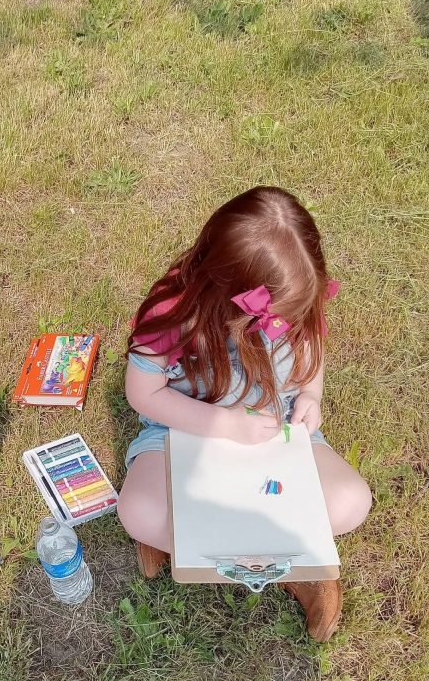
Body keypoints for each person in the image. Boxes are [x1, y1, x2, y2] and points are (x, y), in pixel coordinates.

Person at [117, 187, 372, 642]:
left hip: (277, 429)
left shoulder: (297, 294)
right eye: (278, 318)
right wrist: (225, 425)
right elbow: (143, 394)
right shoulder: (173, 312)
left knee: (351, 501)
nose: (288, 325)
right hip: (183, 432)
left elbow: (312, 350)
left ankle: (211, 548)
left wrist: (310, 396)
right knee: (138, 510)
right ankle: (282, 559)